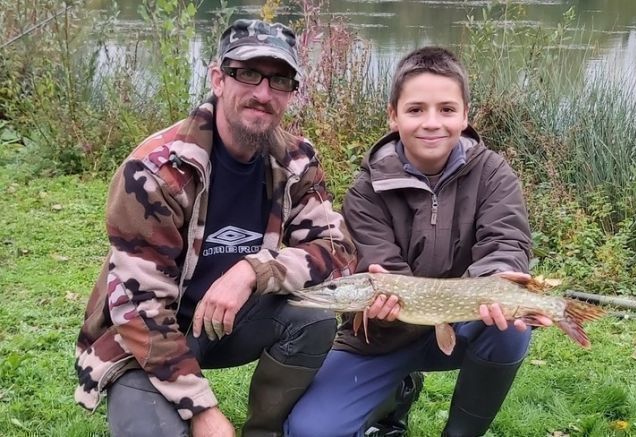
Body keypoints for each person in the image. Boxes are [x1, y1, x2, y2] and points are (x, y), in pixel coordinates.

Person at [73, 19, 356, 437]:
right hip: (143, 340)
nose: (263, 93)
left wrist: (252, 271)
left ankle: (264, 429)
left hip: (230, 324)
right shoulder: (155, 170)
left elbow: (336, 251)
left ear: (292, 93)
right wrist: (203, 411)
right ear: (218, 79)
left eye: (279, 80)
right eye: (248, 74)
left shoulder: (297, 160)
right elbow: (139, 309)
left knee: (312, 318)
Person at [286, 46, 552, 437]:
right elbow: (383, 270)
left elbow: (506, 242)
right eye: (415, 110)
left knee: (510, 326)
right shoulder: (366, 190)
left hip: (464, 326)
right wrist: (380, 291)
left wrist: (500, 279)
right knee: (310, 432)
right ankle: (398, 391)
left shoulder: (494, 173)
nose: (431, 123)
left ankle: (460, 433)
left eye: (446, 109)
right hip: (383, 337)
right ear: (393, 116)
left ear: (465, 115)